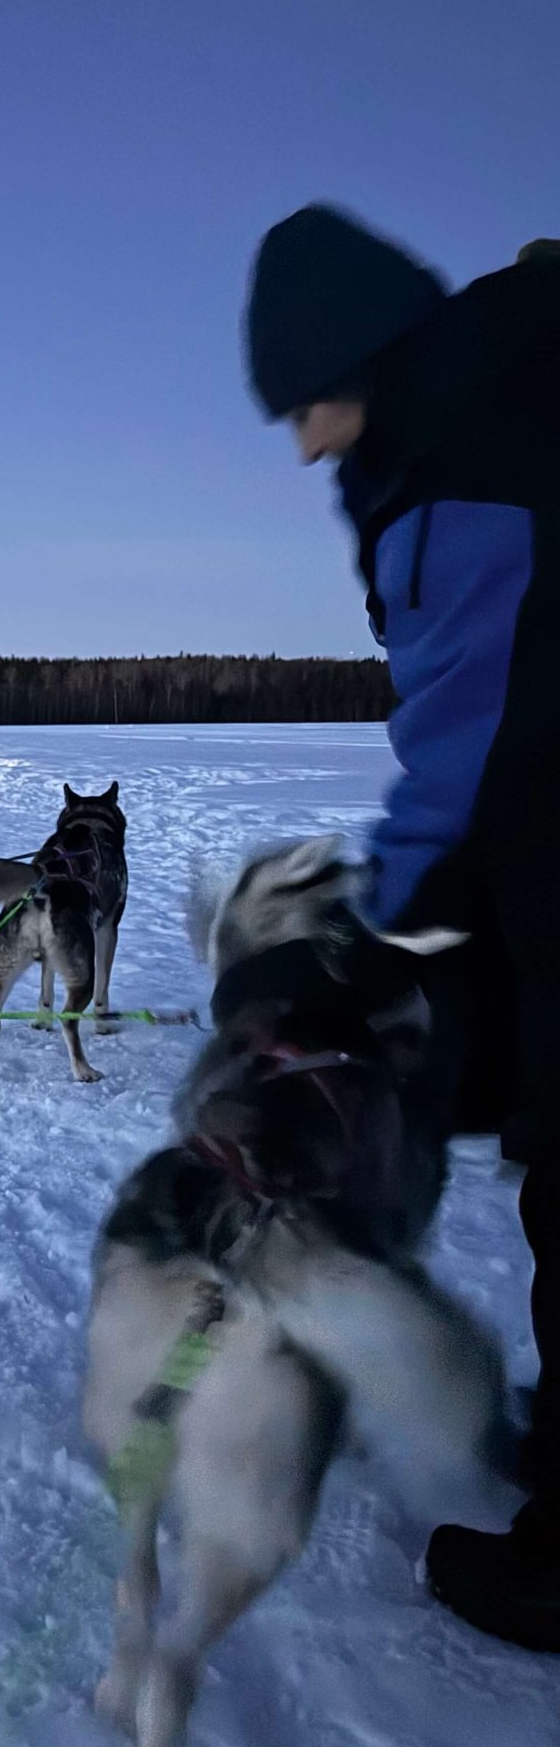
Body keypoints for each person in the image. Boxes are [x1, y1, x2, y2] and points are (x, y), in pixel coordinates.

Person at [245, 204, 560, 1652]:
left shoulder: (466, 452)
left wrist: (374, 945)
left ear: (354, 361)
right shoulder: (489, 393)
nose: (305, 447)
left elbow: (463, 742)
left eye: (306, 407)